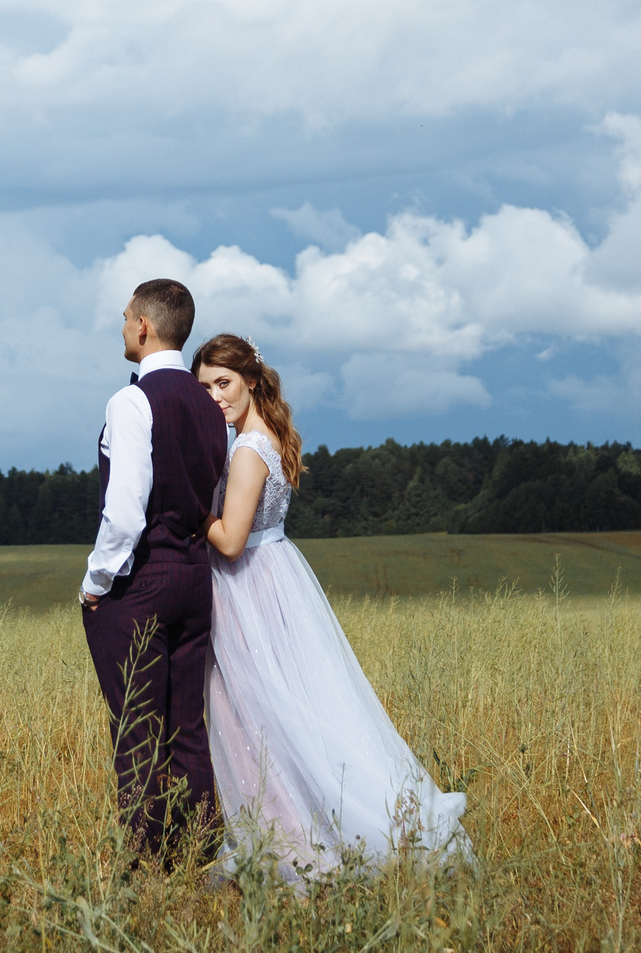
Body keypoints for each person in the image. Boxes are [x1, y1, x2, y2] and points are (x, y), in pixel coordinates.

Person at [193, 333, 471, 881]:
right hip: (276, 577)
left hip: (248, 587)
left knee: (254, 715)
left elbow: (230, 540)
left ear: (251, 381)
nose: (214, 397)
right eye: (204, 388)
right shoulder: (268, 436)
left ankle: (290, 843)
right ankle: (295, 830)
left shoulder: (246, 451)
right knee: (291, 711)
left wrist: (189, 508)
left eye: (223, 383)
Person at [80, 278, 231, 865]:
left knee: (136, 730)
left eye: (125, 318)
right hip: (196, 577)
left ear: (143, 326)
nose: (122, 327)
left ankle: (144, 864)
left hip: (142, 579)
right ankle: (198, 852)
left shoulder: (132, 400)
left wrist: (96, 584)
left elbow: (124, 511)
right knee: (187, 726)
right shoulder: (209, 405)